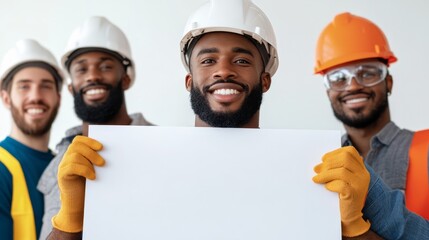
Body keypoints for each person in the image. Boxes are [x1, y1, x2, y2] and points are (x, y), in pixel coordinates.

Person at [47, 1, 429, 239]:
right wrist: (70, 224)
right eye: (208, 59)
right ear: (189, 80)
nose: (224, 71)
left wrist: (356, 232)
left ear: (265, 78)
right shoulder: (131, 164)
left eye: (243, 60)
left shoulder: (328, 164)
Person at [37, 16, 153, 240]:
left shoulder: (165, 145)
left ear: (126, 79)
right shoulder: (58, 162)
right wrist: (68, 220)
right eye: (81, 69)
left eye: (106, 66)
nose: (93, 76)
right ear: (71, 87)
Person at [314, 12, 429, 219]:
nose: (354, 85)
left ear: (389, 83)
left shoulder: (427, 149)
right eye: (338, 78)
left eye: (367, 73)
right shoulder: (318, 161)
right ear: (328, 93)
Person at [0, 39, 63, 240]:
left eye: (45, 86)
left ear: (58, 98)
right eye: (24, 87)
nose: (36, 96)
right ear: (6, 98)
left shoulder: (63, 166)